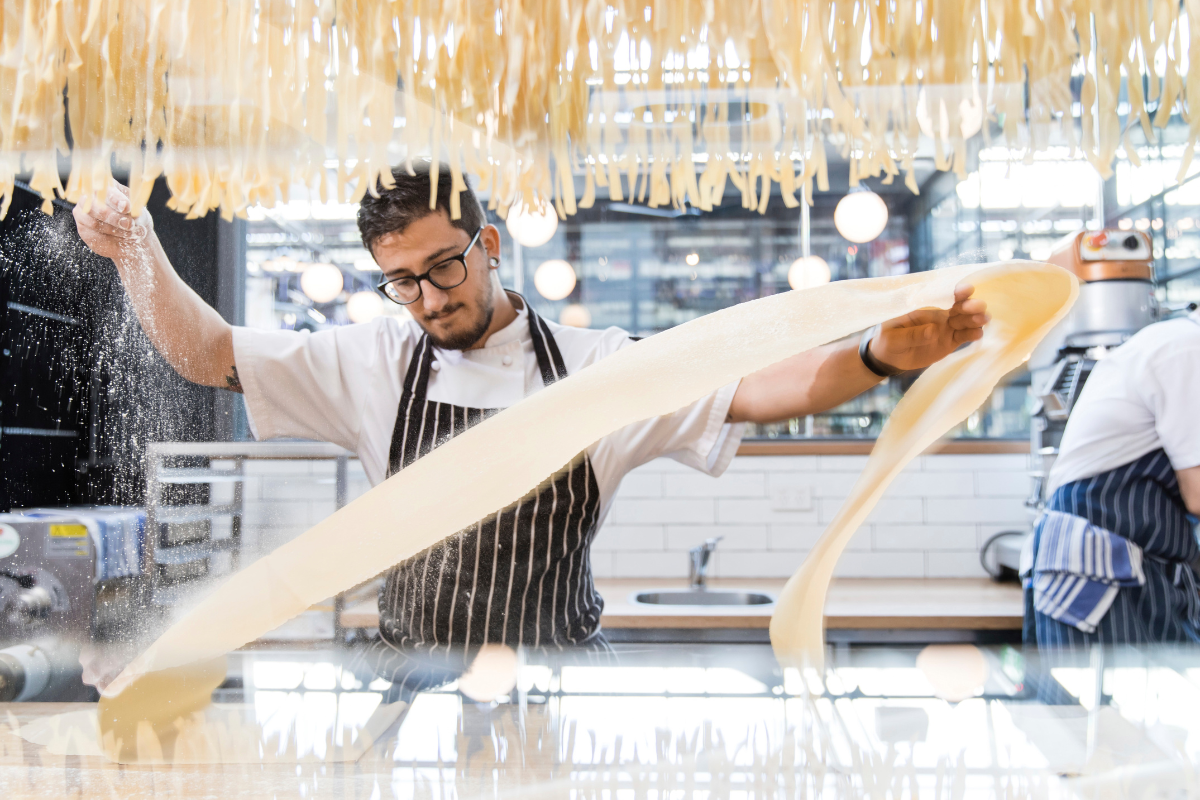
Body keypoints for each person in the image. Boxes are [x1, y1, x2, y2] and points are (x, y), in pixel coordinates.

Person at [73, 166, 988, 689]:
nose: (429, 299)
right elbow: (209, 353)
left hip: (559, 681)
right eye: (403, 281)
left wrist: (871, 354)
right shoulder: (369, 362)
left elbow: (755, 385)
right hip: (408, 680)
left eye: (445, 269)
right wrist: (138, 250)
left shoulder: (599, 369)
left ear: (491, 245)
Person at [1025, 310, 1200, 649]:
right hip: (1101, 578)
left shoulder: (1173, 343)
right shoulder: (1186, 350)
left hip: (1127, 570)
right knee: (1111, 699)